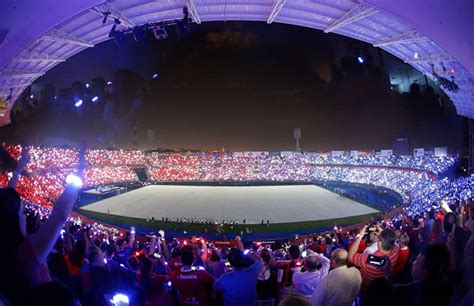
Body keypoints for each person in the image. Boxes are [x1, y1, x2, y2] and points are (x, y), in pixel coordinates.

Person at [0, 147, 85, 305]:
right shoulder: (24, 255)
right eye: (22, 213)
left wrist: (21, 166)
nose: (25, 216)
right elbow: (59, 215)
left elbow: (5, 202)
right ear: (12, 221)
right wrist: (80, 168)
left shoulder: (5, 246)